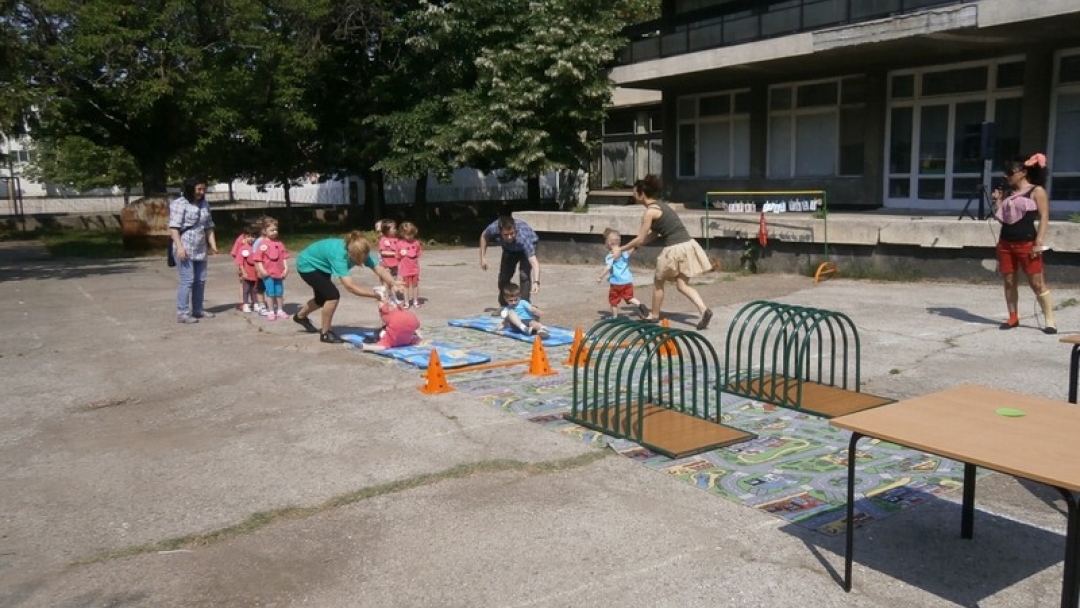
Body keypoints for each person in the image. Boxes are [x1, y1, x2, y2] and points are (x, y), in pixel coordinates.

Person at [613, 174, 713, 330]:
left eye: (634, 192)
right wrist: (634, 248)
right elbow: (654, 234)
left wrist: (621, 249)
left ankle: (654, 315)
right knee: (682, 285)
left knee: (659, 281)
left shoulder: (649, 212)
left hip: (674, 248)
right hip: (688, 244)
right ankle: (704, 310)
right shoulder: (661, 206)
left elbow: (640, 238)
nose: (633, 194)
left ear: (641, 193)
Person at [991, 152, 1056, 334]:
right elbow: (1004, 220)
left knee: (1036, 282)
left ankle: (1050, 320)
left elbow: (1044, 216)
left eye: (1010, 172)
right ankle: (1013, 316)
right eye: (1006, 172)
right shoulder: (1010, 193)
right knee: (1009, 281)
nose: (1007, 176)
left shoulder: (1036, 191)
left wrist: (1039, 241)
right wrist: (998, 202)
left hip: (1027, 242)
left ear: (1023, 172)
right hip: (1006, 242)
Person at [292, 230, 396, 343]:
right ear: (351, 254)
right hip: (308, 265)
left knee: (321, 299)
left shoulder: (360, 250)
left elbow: (379, 269)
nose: (363, 261)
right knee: (332, 296)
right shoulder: (339, 257)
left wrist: (394, 283)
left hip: (321, 264)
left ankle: (300, 317)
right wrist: (375, 295)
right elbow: (350, 287)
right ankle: (326, 333)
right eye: (360, 260)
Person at [169, 176, 218, 323]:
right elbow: (174, 228)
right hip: (184, 247)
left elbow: (209, 226)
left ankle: (198, 309)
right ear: (191, 189)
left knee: (200, 280)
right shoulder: (179, 204)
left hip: (200, 247)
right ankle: (182, 312)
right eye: (199, 189)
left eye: (204, 189)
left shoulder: (204, 204)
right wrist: (179, 248)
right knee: (187, 280)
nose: (201, 192)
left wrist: (213, 245)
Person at [479, 215, 540, 307]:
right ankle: (504, 305)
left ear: (515, 229)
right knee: (504, 277)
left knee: (524, 275)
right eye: (506, 235)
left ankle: (524, 305)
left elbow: (534, 263)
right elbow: (484, 235)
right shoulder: (493, 228)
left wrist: (536, 282)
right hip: (509, 249)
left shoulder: (523, 237)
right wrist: (483, 257)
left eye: (512, 233)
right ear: (500, 231)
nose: (509, 237)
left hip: (526, 248)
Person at [597, 228, 650, 319]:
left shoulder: (611, 255)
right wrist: (635, 244)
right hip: (627, 281)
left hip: (616, 283)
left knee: (613, 301)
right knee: (629, 297)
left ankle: (614, 317)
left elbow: (608, 267)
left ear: (609, 243)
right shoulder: (624, 252)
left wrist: (600, 276)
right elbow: (631, 249)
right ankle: (639, 304)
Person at [253, 217, 289, 320]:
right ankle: (271, 311)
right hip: (268, 274)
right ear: (264, 231)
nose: (275, 232)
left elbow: (284, 257)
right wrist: (262, 270)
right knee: (270, 292)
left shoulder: (279, 243)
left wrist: (286, 268)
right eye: (272, 230)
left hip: (279, 273)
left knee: (279, 292)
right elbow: (258, 259)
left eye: (276, 230)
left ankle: (280, 310)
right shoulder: (262, 244)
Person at [233, 224, 260, 313]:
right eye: (249, 236)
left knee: (255, 290)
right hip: (246, 274)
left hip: (255, 274)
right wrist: (243, 272)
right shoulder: (243, 249)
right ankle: (245, 304)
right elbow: (240, 262)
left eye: (253, 237)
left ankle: (255, 304)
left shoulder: (257, 248)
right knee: (246, 290)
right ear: (245, 237)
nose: (251, 238)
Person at [397, 221, 423, 308]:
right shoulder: (400, 244)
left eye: (411, 234)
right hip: (405, 270)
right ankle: (406, 302)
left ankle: (415, 301)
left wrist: (411, 254)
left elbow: (418, 253)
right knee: (405, 286)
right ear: (402, 234)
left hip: (414, 269)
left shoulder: (416, 242)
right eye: (407, 234)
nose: (410, 236)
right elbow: (397, 256)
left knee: (415, 285)